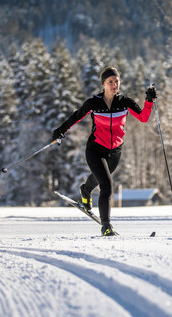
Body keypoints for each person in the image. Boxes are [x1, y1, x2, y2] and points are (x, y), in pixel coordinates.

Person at [52, 66, 156, 236]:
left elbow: (143, 118)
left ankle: (85, 190)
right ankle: (106, 226)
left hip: (115, 151)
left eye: (117, 81)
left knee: (100, 178)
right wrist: (60, 131)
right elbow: (76, 116)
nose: (115, 85)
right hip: (95, 149)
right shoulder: (94, 103)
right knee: (106, 186)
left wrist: (149, 101)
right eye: (110, 82)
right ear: (103, 84)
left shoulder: (125, 103)